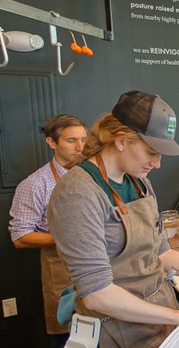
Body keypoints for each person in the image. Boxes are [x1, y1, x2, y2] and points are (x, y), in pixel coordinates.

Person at [48, 91, 179, 347]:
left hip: (159, 318)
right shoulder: (77, 192)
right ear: (121, 141)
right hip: (117, 330)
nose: (157, 164)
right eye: (151, 152)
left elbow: (161, 253)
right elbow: (97, 295)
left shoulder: (139, 183)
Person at [8, 114, 88, 348]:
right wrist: (66, 239)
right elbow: (20, 237)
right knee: (68, 336)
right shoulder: (35, 184)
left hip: (99, 266)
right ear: (52, 143)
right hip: (62, 270)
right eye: (71, 141)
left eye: (83, 139)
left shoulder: (93, 175)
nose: (80, 147)